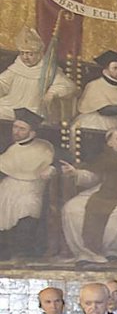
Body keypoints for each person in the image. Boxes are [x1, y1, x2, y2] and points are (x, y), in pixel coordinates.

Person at [60, 128, 117, 263]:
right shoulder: (103, 158)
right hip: (102, 190)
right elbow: (92, 176)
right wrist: (76, 173)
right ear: (109, 143)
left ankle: (114, 252)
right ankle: (85, 252)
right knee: (71, 208)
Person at [0, 108, 55, 256]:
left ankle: (22, 251)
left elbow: (64, 159)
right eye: (15, 127)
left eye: (21, 129)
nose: (16, 132)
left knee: (26, 206)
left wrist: (52, 168)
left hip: (32, 189)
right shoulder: (12, 148)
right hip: (8, 187)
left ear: (32, 132)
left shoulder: (45, 147)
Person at [0, 27, 78, 121]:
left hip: (34, 109)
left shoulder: (48, 70)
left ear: (39, 54)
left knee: (35, 117)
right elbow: (3, 83)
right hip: (11, 106)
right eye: (22, 53)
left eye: (30, 54)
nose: (25, 57)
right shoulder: (17, 67)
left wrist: (52, 93)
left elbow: (68, 86)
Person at [73, 50, 117, 132]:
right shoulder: (94, 85)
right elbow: (102, 110)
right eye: (115, 68)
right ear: (105, 71)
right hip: (97, 123)